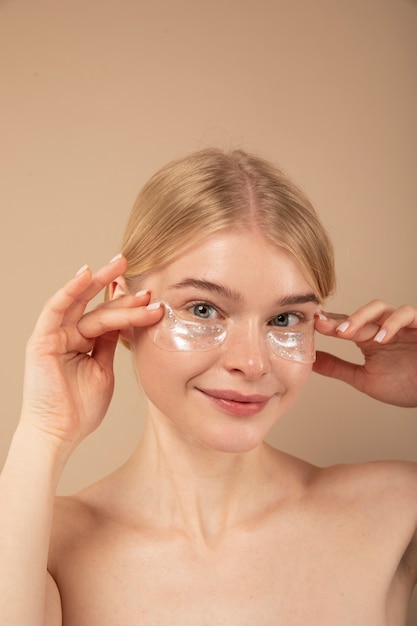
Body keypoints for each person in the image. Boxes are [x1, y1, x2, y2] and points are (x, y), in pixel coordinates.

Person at [1, 148, 416, 626]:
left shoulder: (393, 511)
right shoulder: (40, 547)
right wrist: (44, 429)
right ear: (125, 312)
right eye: (203, 310)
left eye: (284, 319)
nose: (252, 362)